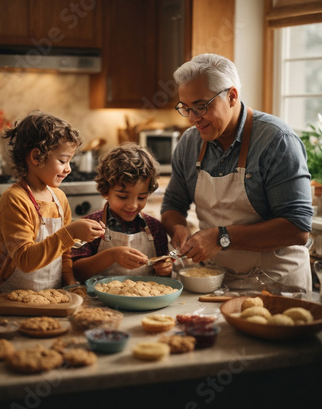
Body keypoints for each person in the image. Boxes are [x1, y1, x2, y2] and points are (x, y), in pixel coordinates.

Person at [161, 53, 313, 292]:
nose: (193, 118)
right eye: (186, 108)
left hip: (276, 284)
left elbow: (297, 228)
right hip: (213, 281)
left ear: (231, 96)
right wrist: (178, 228)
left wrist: (221, 237)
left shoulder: (276, 141)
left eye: (201, 106)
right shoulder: (190, 143)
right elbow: (172, 205)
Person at [0, 110, 105, 295]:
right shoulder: (15, 200)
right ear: (36, 157)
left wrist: (71, 283)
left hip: (53, 295)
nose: (68, 169)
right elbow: (25, 260)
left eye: (70, 161)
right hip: (12, 298)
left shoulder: (59, 198)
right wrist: (71, 232)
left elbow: (64, 253)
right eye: (62, 160)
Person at [71, 143, 172, 281]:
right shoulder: (89, 227)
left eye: (141, 197)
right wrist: (111, 256)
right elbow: (77, 272)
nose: (132, 205)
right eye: (123, 197)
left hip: (145, 301)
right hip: (97, 301)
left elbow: (165, 278)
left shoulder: (156, 229)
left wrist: (165, 270)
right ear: (105, 191)